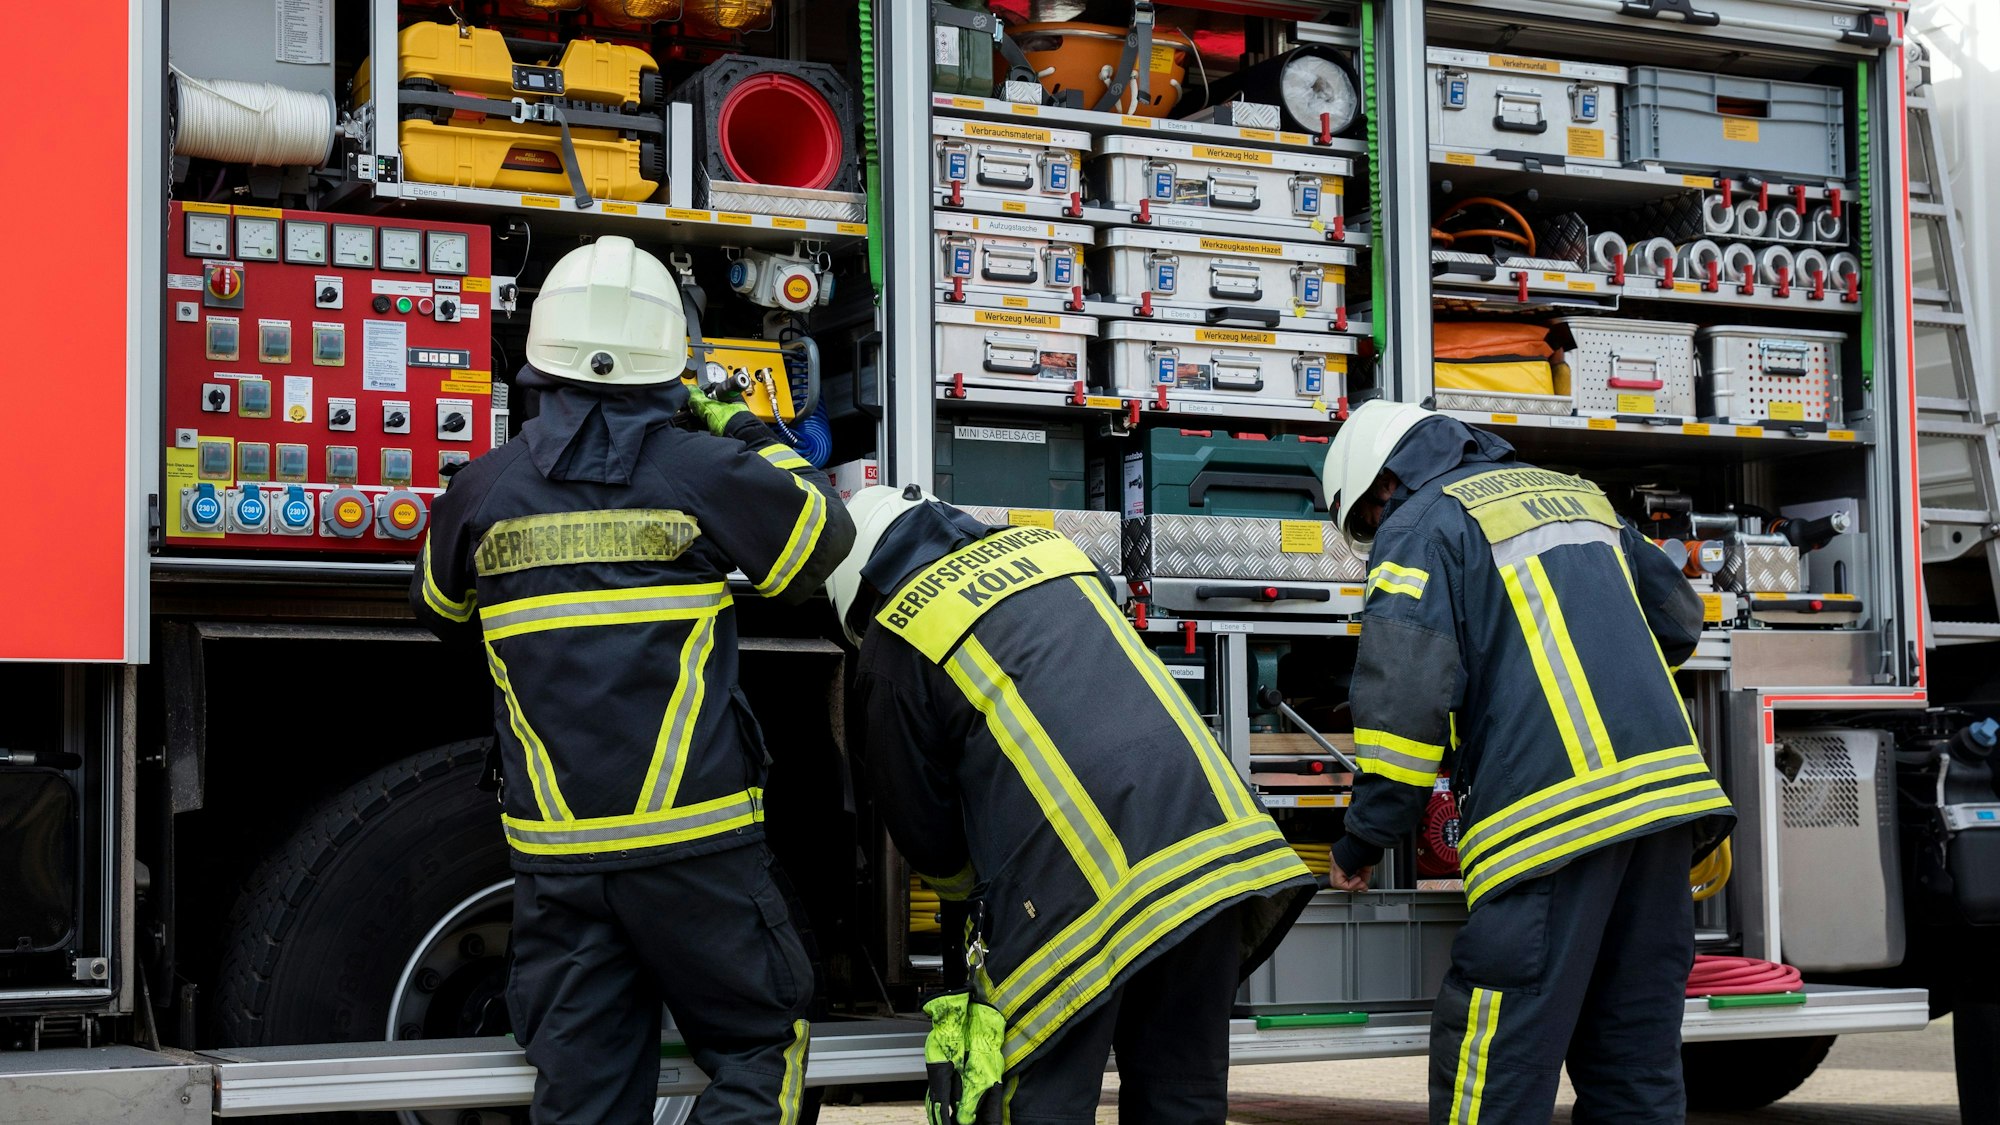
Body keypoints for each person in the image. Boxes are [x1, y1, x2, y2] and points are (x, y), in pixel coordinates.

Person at [410, 235, 854, 1125]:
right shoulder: (700, 469)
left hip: (559, 861)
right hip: (696, 848)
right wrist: (741, 428)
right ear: (669, 363)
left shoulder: (481, 489)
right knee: (760, 1047)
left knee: (583, 1093)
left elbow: (439, 610)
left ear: (540, 359)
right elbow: (821, 538)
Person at [829, 485, 1316, 1124]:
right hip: (1214, 853)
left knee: (1039, 1105)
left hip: (1078, 900)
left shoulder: (897, 637)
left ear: (856, 590)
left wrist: (971, 913)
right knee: (1183, 1095)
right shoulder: (1053, 553)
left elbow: (925, 830)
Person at [1318, 398, 1734, 1124]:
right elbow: (1681, 621)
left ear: (1383, 481)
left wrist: (1363, 839)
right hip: (1666, 813)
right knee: (1633, 1062)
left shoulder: (1420, 525)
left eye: (1369, 518)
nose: (1378, 530)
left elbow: (1403, 709)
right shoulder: (1579, 496)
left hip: (1552, 824)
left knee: (1495, 1060)